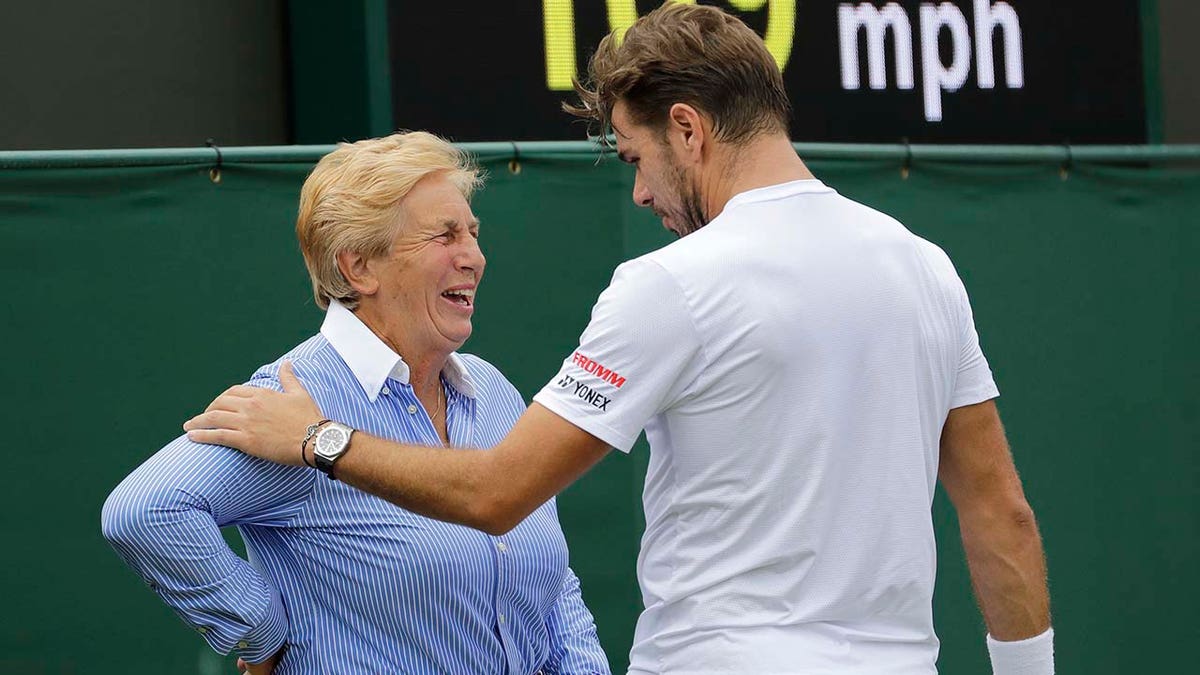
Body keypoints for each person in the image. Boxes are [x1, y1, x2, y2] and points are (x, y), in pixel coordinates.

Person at [184, 4, 1053, 674]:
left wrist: (314, 438)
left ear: (687, 128)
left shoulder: (671, 283)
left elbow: (496, 494)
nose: (640, 196)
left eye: (636, 158)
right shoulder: (925, 267)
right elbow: (1000, 513)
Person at [102, 131, 610, 675]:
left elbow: (556, 589)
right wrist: (265, 634)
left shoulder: (491, 391)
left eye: (473, 233)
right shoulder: (292, 401)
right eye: (444, 236)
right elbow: (144, 511)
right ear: (359, 267)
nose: (475, 257)